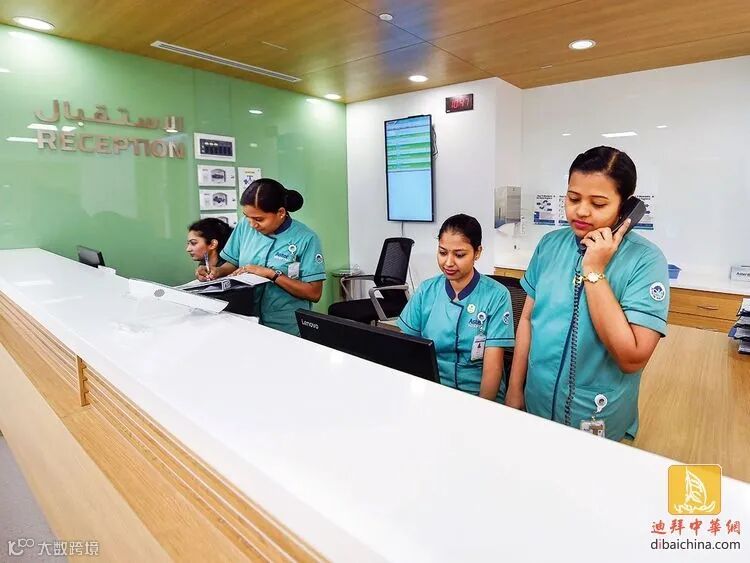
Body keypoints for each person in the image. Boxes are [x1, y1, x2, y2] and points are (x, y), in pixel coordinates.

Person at [505, 146, 670, 441]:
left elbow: (632, 358)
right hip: (536, 403)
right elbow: (528, 320)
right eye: (573, 198)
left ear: (625, 209)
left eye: (598, 203)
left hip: (596, 415)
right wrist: (515, 390)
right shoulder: (549, 245)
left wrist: (594, 269)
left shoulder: (646, 261)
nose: (581, 211)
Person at [397, 214, 515, 401]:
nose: (448, 262)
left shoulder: (497, 295)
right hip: (433, 388)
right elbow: (406, 348)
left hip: (476, 393)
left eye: (459, 255)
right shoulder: (426, 290)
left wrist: (481, 410)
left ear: (477, 252)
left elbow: (493, 368)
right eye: (443, 252)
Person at [196, 178, 326, 336]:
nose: (252, 224)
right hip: (246, 319)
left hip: (286, 326)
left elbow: (314, 293)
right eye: (247, 216)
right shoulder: (245, 226)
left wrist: (271, 274)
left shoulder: (306, 238)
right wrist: (217, 271)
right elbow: (233, 263)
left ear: (281, 213)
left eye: (259, 219)